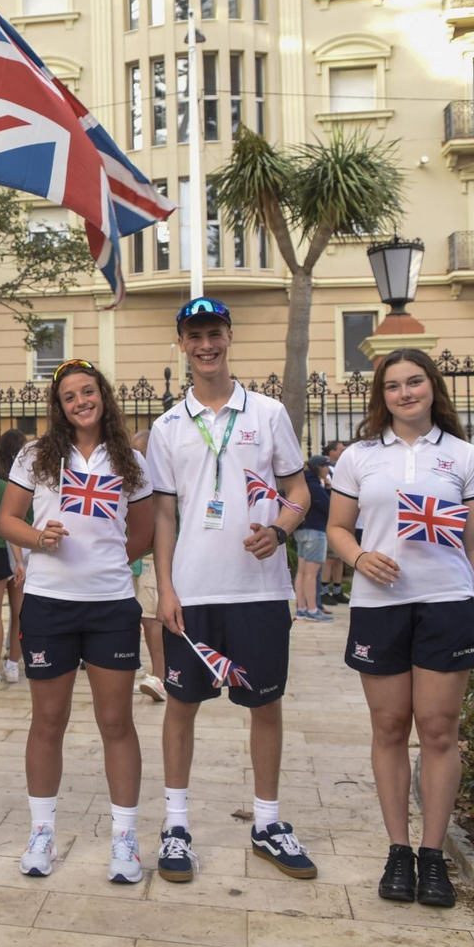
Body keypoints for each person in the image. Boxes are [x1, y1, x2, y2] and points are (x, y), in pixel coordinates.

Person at [149, 296, 314, 883]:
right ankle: (175, 826)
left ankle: (268, 822)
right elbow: (163, 516)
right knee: (181, 707)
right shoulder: (166, 427)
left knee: (264, 705)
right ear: (183, 344)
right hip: (192, 592)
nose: (206, 345)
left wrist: (281, 528)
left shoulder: (267, 414)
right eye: (194, 336)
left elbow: (299, 489)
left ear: (229, 335)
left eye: (214, 332)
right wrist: (164, 588)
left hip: (259, 591)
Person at [325, 348, 474, 909]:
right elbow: (337, 529)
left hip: (446, 602)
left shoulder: (467, 457)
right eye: (394, 386)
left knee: (440, 729)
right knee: (391, 726)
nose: (405, 393)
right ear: (382, 396)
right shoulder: (359, 457)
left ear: (432, 386)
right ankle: (398, 850)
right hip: (380, 605)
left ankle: (433, 854)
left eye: (415, 381)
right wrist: (358, 558)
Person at [0, 359, 155, 883]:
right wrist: (39, 540)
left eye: (89, 391)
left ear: (103, 396)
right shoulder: (37, 456)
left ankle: (125, 839)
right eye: (70, 396)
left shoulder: (129, 458)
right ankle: (42, 833)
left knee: (116, 723)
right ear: (59, 407)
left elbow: (144, 531)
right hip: (48, 603)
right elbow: (7, 520)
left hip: (110, 605)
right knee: (48, 721)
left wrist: (105, 562)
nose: (81, 401)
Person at [0, 429, 29, 691]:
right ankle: (12, 664)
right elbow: (14, 521)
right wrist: (20, 560)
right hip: (15, 548)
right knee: (18, 612)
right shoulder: (5, 486)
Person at [128, 429, 168, 703]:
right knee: (142, 617)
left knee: (152, 619)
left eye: (139, 453)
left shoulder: (160, 484)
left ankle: (162, 676)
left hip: (152, 557)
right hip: (135, 558)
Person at [294, 456, 333, 622]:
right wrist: (329, 490)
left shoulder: (302, 483)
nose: (328, 470)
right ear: (319, 467)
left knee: (301, 572)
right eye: (326, 466)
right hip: (315, 531)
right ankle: (312, 609)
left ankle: (301, 608)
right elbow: (329, 508)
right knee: (312, 573)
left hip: (301, 530)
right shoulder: (315, 486)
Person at [319, 440, 349, 605]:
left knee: (340, 558)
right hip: (330, 519)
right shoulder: (327, 469)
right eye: (340, 449)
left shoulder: (343, 466)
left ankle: (337, 589)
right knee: (330, 558)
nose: (343, 451)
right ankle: (324, 590)